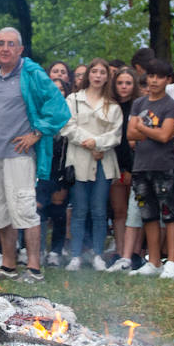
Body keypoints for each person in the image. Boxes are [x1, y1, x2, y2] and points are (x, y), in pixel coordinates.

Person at [0, 27, 70, 284]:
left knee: (25, 210)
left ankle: (34, 269)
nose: (5, 48)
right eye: (0, 43)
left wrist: (37, 133)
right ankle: (9, 265)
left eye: (11, 44)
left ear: (20, 49)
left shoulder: (32, 73)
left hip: (19, 155)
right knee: (0, 212)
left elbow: (59, 108)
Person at [60, 58, 123, 271]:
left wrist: (98, 144)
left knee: (98, 211)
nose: (98, 76)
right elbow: (67, 127)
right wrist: (90, 143)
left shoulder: (113, 105)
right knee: (79, 210)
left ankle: (97, 255)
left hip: (104, 161)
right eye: (94, 71)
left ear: (107, 76)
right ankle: (76, 256)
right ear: (88, 74)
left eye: (102, 72)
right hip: (78, 160)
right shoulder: (73, 100)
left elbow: (115, 134)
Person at [125, 59, 174, 278]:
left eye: (160, 77)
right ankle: (154, 261)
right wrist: (151, 130)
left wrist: (143, 128)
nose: (154, 81)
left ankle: (172, 262)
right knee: (147, 214)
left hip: (164, 166)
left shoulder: (169, 105)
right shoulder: (138, 103)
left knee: (169, 214)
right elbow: (130, 134)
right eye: (151, 76)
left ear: (168, 80)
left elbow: (166, 135)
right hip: (141, 166)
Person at [108, 69, 139, 271]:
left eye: (128, 83)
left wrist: (130, 169)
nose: (124, 87)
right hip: (113, 164)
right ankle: (120, 252)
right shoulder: (110, 107)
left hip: (135, 165)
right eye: (120, 83)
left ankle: (135, 253)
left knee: (134, 212)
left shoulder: (139, 106)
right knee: (119, 212)